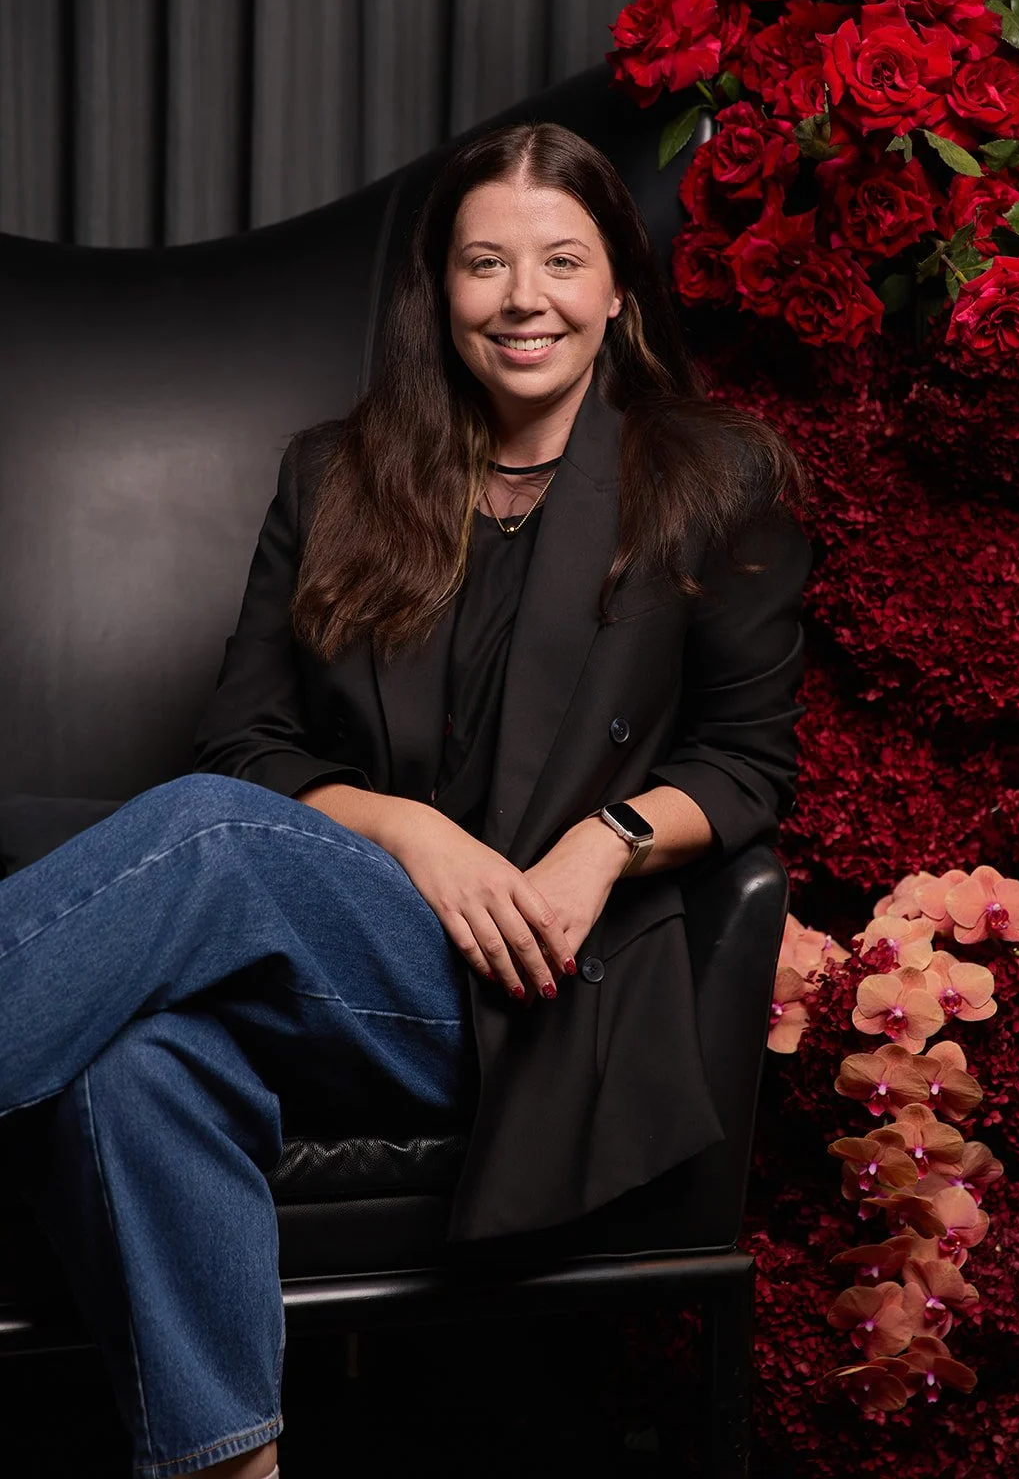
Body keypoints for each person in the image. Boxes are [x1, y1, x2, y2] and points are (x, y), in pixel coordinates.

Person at [0, 121, 812, 1478]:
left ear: (619, 284)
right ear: (440, 288)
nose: (522, 298)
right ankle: (231, 1466)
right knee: (138, 1066)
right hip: (350, 955)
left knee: (206, 838)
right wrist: (411, 832)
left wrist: (601, 846)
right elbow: (243, 742)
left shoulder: (714, 478)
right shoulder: (336, 475)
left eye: (561, 261)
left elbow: (747, 759)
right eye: (485, 263)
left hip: (540, 983)